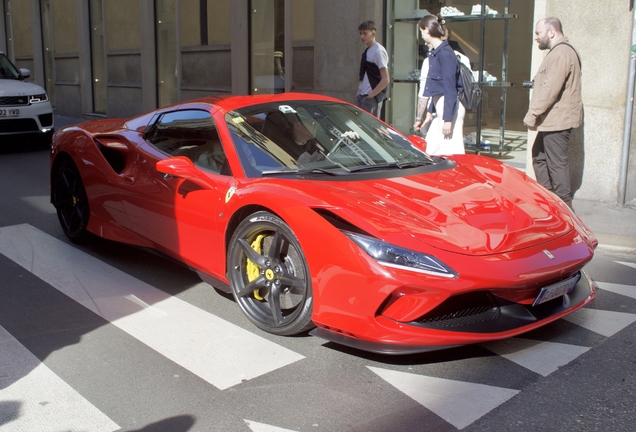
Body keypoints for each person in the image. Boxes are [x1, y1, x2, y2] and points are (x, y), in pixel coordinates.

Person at [523, 17, 582, 210]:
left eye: (538, 33)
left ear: (551, 32)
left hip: (557, 120)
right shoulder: (558, 53)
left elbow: (550, 89)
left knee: (556, 164)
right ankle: (549, 201)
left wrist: (532, 114)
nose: (535, 37)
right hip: (552, 120)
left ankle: (564, 208)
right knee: (539, 156)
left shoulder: (561, 53)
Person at [414, 14, 465, 155]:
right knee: (432, 150)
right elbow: (436, 88)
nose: (421, 35)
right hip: (441, 108)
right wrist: (429, 114)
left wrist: (447, 119)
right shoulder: (437, 54)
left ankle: (457, 177)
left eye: (421, 31)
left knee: (451, 153)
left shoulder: (445, 54)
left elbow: (450, 88)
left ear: (427, 30)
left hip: (448, 109)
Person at [356, 20, 390, 118]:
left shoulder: (378, 51)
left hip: (371, 97)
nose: (362, 36)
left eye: (365, 33)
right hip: (362, 95)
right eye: (360, 33)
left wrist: (371, 95)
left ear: (373, 33)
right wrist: (359, 92)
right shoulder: (367, 51)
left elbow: (385, 79)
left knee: (370, 128)